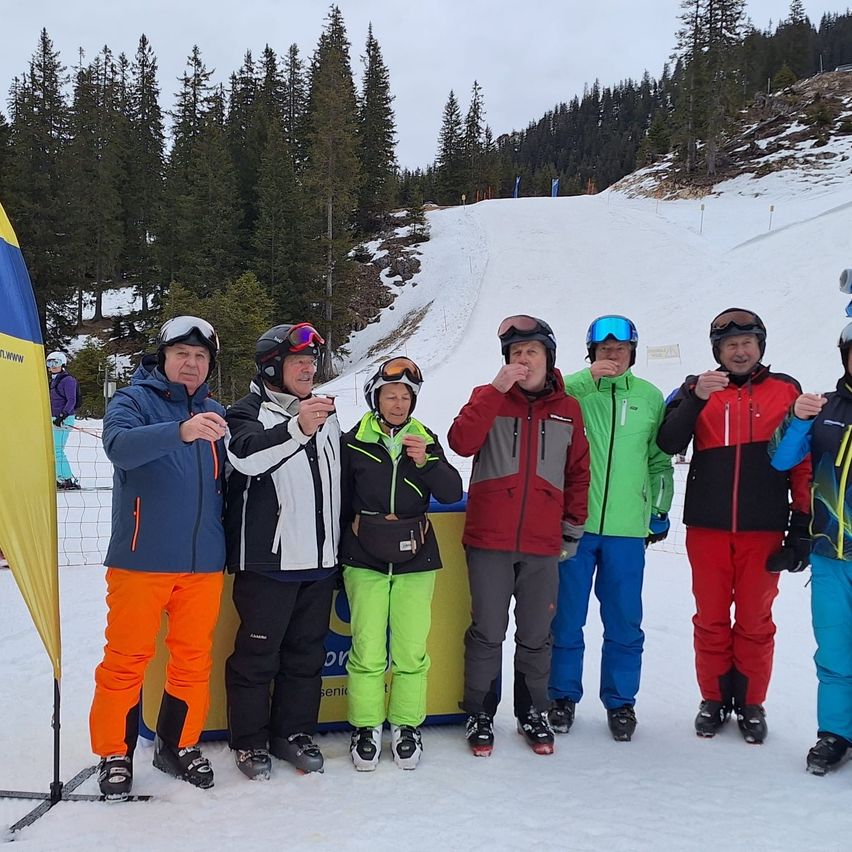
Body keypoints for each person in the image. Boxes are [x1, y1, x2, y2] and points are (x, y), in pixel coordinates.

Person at [657, 307, 811, 743]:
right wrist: (696, 398)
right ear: (717, 351)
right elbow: (668, 442)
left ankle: (751, 703)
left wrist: (800, 526)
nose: (739, 351)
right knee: (709, 618)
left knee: (755, 620)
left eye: (747, 343)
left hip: (763, 528)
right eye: (730, 345)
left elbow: (801, 464)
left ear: (760, 347)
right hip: (707, 527)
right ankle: (712, 699)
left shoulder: (786, 390)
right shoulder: (697, 389)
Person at [89, 316, 227, 799]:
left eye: (200, 357)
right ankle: (114, 753)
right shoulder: (132, 400)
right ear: (163, 358)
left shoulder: (216, 409)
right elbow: (119, 448)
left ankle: (178, 744)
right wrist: (180, 431)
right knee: (126, 660)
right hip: (140, 560)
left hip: (203, 564)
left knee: (192, 661)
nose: (191, 364)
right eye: (182, 355)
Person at [448, 315, 590, 756]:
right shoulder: (488, 397)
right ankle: (480, 713)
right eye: (515, 354)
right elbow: (461, 441)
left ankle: (533, 711)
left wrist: (572, 529)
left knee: (536, 634)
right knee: (487, 631)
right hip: (489, 539)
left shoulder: (568, 409)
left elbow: (579, 472)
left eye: (531, 352)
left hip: (542, 543)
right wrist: (495, 390)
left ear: (549, 357)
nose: (522, 360)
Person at [549, 315, 673, 742]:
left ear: (632, 352)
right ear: (591, 353)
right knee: (566, 618)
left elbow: (659, 460)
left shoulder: (649, 397)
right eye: (603, 350)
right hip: (577, 526)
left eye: (620, 349)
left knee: (624, 621)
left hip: (626, 530)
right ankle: (561, 697)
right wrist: (587, 377)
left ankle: (621, 703)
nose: (612, 355)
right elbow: (546, 393)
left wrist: (659, 508)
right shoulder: (576, 392)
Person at [224, 322, 339, 781]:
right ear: (273, 367)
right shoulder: (245, 412)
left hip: (320, 563)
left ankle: (291, 732)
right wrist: (297, 428)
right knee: (256, 659)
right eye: (298, 362)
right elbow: (246, 457)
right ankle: (249, 742)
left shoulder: (327, 413)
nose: (309, 368)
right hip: (268, 565)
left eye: (312, 362)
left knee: (306, 657)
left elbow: (337, 484)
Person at [339, 357, 462, 771]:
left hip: (417, 555)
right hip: (364, 556)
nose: (398, 403)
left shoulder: (424, 437)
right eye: (390, 395)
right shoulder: (353, 440)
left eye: (405, 396)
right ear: (376, 397)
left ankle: (407, 726)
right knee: (368, 648)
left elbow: (450, 492)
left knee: (411, 650)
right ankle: (366, 726)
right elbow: (340, 500)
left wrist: (427, 460)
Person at [769, 320, 852, 775]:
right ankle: (836, 733)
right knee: (835, 651)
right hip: (831, 555)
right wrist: (798, 419)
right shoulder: (824, 407)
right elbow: (780, 459)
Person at [47, 350, 80, 489]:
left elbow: (71, 400)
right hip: (54, 418)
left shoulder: (68, 380)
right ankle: (59, 477)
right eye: (50, 363)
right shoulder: (53, 381)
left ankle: (67, 478)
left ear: (62, 364)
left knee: (57, 449)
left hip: (64, 419)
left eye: (56, 362)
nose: (53, 366)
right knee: (53, 450)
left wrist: (62, 416)